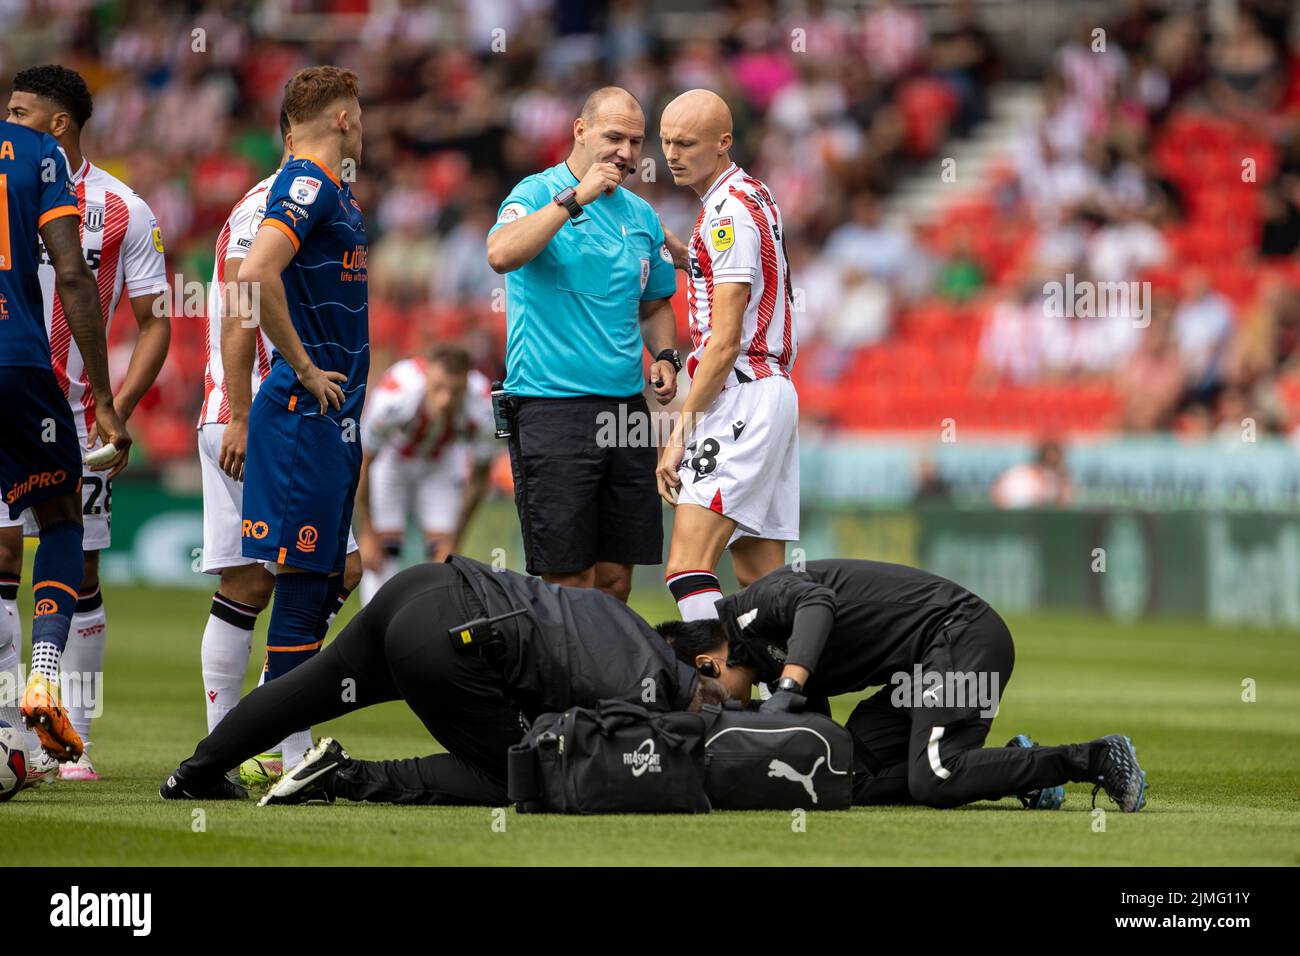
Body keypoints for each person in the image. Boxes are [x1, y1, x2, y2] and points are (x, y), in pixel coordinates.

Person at [160, 557, 726, 804]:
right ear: (693, 661)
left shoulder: (622, 619)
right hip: (454, 637)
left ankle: (194, 774)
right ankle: (343, 776)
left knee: (308, 686)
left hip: (424, 584)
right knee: (516, 774)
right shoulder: (649, 673)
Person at [661, 558, 1148, 812]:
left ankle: (1096, 757)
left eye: (704, 698)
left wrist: (789, 686)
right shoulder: (762, 663)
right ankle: (1021, 771)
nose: (718, 710)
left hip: (961, 634)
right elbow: (817, 727)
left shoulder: (755, 605)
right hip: (921, 671)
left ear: (708, 664)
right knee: (847, 776)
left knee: (935, 777)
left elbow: (817, 604)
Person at [0, 65, 169, 781]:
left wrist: (116, 405)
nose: (8, 116)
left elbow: (156, 318)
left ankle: (77, 744)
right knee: (9, 557)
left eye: (20, 108)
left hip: (77, 410)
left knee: (86, 570)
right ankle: (18, 733)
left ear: (58, 122)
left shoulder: (125, 207)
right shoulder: (29, 170)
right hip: (29, 387)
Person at [196, 106, 362, 785]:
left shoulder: (310, 197)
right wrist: (238, 414)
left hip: (277, 416)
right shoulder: (276, 201)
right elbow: (243, 306)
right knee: (265, 580)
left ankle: (253, 738)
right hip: (262, 415)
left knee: (320, 572)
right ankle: (246, 748)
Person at [486, 86, 679, 603]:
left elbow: (657, 302)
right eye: (614, 137)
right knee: (569, 580)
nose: (627, 152)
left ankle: (607, 686)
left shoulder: (642, 216)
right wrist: (575, 198)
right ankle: (565, 686)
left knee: (616, 578)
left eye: (636, 142)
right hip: (552, 406)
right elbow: (500, 255)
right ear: (580, 131)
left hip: (626, 411)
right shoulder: (535, 192)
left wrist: (663, 356)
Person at [234, 66, 368, 774]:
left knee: (320, 580)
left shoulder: (331, 191)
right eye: (362, 116)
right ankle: (273, 752)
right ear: (344, 119)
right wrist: (308, 369)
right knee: (301, 582)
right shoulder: (308, 183)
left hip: (331, 422)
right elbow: (254, 274)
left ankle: (280, 747)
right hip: (302, 413)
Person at [656, 89, 799, 620]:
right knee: (763, 580)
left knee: (686, 566)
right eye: (667, 140)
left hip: (741, 394)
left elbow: (724, 340)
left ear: (723, 142)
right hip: (771, 392)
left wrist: (678, 437)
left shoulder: (726, 213)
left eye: (686, 143)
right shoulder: (750, 194)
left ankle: (713, 684)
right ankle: (790, 695)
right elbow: (727, 270)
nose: (672, 152)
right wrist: (676, 250)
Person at [355, 344, 494, 605]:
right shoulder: (395, 394)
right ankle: (377, 633)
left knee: (444, 558)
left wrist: (455, 537)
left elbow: (478, 478)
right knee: (383, 555)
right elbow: (364, 461)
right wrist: (368, 529)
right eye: (438, 388)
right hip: (392, 458)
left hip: (441, 461)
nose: (445, 400)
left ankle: (429, 627)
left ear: (466, 384)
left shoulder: (484, 405)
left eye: (455, 391)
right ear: (426, 376)